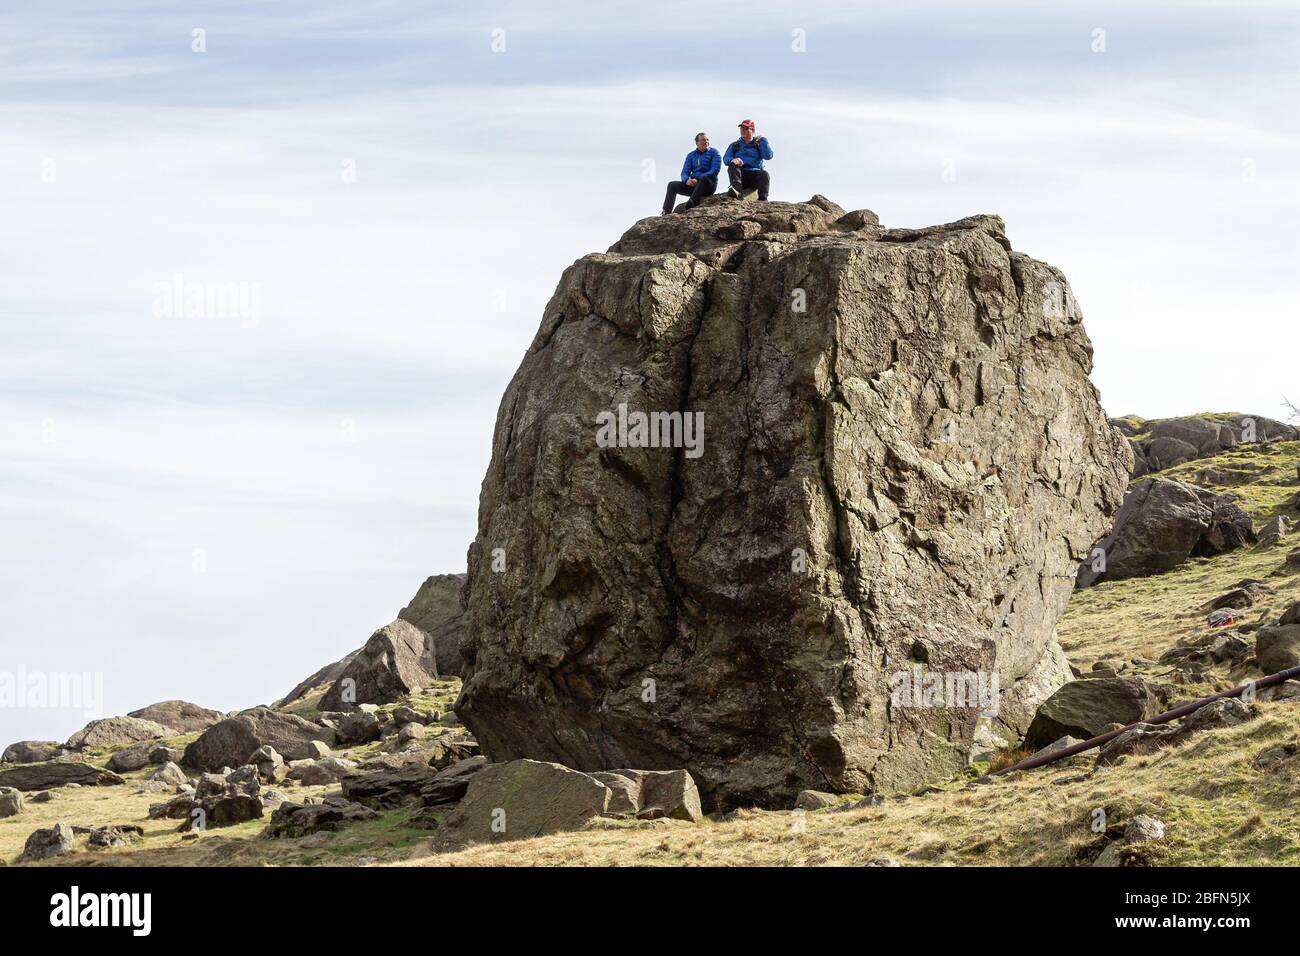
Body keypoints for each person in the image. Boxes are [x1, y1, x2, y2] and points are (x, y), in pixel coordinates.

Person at [662, 132, 721, 214]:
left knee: (703, 178)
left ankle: (692, 202)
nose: (706, 142)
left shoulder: (715, 152)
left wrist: (698, 178)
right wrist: (687, 180)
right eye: (703, 140)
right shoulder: (691, 155)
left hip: (708, 185)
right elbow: (684, 172)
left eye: (707, 140)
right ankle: (666, 211)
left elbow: (715, 170)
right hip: (694, 185)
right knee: (672, 185)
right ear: (697, 143)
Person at [722, 119, 773, 200]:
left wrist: (763, 141)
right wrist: (733, 160)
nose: (742, 130)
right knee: (733, 164)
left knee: (765, 174)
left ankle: (763, 199)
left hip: (754, 176)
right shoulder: (735, 145)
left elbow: (768, 156)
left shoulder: (759, 143)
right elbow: (725, 159)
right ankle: (737, 191)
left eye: (746, 128)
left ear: (752, 130)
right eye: (741, 128)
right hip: (740, 177)